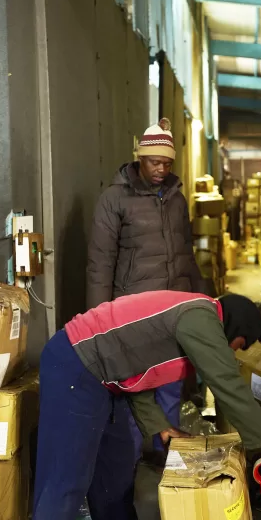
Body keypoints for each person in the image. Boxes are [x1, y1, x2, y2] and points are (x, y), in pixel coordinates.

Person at [30, 291, 261, 520]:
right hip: (75, 363)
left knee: (116, 467)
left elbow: (138, 370)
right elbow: (227, 383)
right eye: (241, 345)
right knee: (64, 480)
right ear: (236, 329)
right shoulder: (200, 318)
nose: (235, 352)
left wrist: (160, 427)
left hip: (110, 378)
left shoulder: (194, 319)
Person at [86, 117, 206, 460]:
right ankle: (130, 459)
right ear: (140, 158)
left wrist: (201, 299)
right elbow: (100, 263)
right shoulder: (114, 200)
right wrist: (98, 319)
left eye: (167, 164)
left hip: (174, 310)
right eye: (155, 162)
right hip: (134, 314)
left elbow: (187, 255)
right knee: (135, 389)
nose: (161, 170)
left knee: (170, 386)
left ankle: (164, 458)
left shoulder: (177, 199)